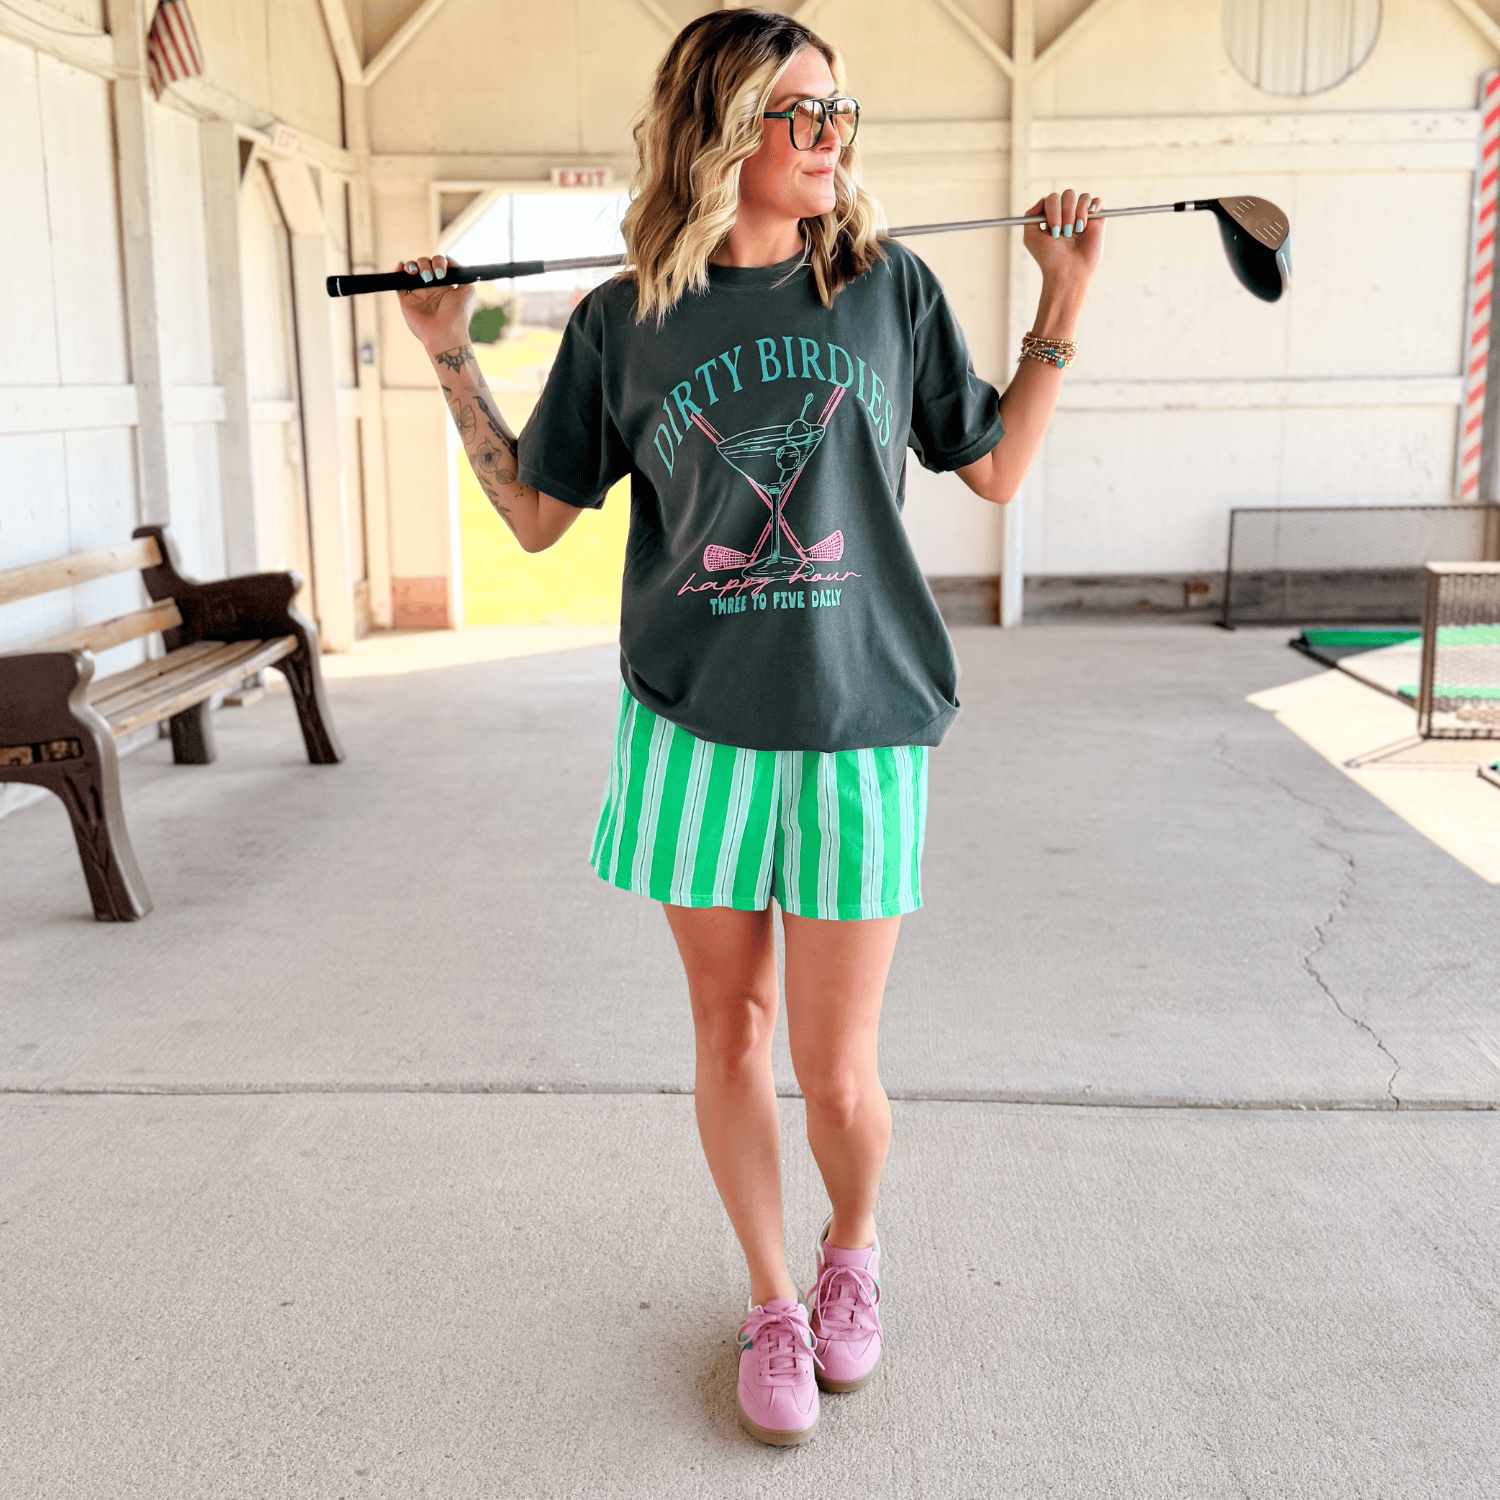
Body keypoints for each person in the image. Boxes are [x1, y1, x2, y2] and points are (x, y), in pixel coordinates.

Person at [395, 7, 1104, 1448]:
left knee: (839, 1070)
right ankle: (773, 1298)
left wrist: (1063, 302)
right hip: (693, 732)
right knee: (731, 1030)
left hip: (861, 727)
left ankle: (855, 1250)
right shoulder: (622, 323)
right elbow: (538, 518)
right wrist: (447, 354)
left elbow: (997, 472)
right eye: (802, 113)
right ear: (721, 129)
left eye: (841, 113)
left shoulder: (887, 291)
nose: (832, 137)